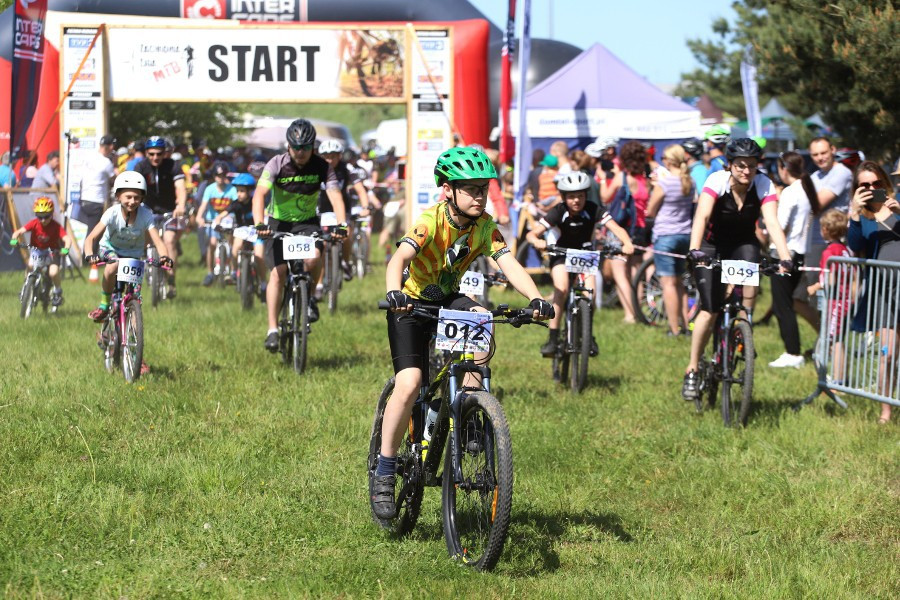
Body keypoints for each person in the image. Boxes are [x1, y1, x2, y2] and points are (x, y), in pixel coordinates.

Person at [371, 146, 553, 519]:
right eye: (470, 189)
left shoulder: (485, 226)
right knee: (409, 383)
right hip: (412, 304)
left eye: (483, 188)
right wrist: (393, 292)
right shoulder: (430, 220)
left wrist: (536, 298)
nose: (479, 196)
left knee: (483, 322)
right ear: (447, 191)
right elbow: (399, 259)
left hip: (447, 299)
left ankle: (468, 408)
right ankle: (385, 469)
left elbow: (510, 263)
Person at [681, 138, 793, 401]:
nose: (746, 171)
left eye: (752, 166)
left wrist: (785, 257)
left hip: (742, 244)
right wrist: (695, 249)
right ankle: (693, 368)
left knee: (744, 296)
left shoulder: (764, 184)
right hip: (710, 246)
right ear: (730, 165)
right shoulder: (716, 181)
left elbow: (772, 223)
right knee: (709, 310)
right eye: (741, 165)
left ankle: (739, 332)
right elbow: (702, 216)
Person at [253, 118, 347, 352]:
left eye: (306, 147)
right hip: (277, 222)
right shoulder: (276, 164)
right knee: (278, 273)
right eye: (296, 147)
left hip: (306, 223)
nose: (301, 152)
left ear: (313, 147)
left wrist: (342, 224)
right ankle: (273, 329)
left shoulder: (323, 166)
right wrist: (259, 224)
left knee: (314, 257)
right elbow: (259, 195)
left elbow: (335, 195)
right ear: (288, 146)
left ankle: (310, 296)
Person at [525, 171, 633, 356]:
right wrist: (537, 240)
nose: (576, 200)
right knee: (562, 289)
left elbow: (616, 228)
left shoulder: (594, 209)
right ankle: (552, 338)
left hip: (585, 254)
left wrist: (627, 243)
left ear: (586, 196)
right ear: (564, 197)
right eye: (571, 196)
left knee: (590, 293)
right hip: (560, 253)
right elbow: (532, 233)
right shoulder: (558, 211)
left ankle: (587, 336)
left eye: (580, 196)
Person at [83, 172, 171, 374]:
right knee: (112, 265)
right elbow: (91, 238)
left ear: (142, 198)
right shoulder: (111, 213)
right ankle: (105, 304)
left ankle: (135, 354)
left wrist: (164, 256)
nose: (132, 201)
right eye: (128, 197)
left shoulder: (146, 215)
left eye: (137, 197)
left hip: (134, 256)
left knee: (134, 302)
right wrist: (90, 255)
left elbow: (159, 242)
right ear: (118, 196)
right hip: (111, 250)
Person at [847, 161, 899, 425]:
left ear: (884, 183)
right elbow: (855, 246)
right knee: (888, 353)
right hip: (882, 292)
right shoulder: (861, 217)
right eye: (864, 185)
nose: (871, 189)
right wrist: (855, 213)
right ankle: (886, 412)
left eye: (876, 183)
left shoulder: (897, 203)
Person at [768, 151, 815, 368]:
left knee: (782, 305)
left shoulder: (789, 192)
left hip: (784, 253)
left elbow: (781, 225)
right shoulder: (807, 187)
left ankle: (792, 351)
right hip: (801, 251)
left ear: (783, 169)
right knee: (795, 302)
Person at [645, 144, 695, 336]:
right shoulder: (689, 182)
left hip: (666, 235)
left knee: (668, 284)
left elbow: (650, 210)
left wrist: (654, 187)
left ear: (668, 160)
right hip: (685, 234)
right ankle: (685, 324)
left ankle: (674, 329)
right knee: (680, 282)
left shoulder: (664, 184)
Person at [599, 140, 651, 323]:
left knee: (620, 274)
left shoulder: (622, 177)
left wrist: (604, 178)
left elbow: (605, 196)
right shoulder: (645, 179)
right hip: (640, 229)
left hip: (620, 229)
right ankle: (639, 311)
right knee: (637, 274)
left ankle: (630, 314)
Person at [134, 135, 187, 298]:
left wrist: (181, 205)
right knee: (145, 242)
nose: (155, 157)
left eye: (159, 153)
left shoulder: (173, 166)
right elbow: (134, 187)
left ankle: (171, 279)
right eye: (151, 154)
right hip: (147, 210)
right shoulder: (140, 166)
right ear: (146, 153)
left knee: (169, 241)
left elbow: (181, 187)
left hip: (169, 211)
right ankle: (143, 264)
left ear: (165, 153)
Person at [316, 139, 376, 281]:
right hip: (323, 210)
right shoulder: (317, 169)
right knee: (322, 245)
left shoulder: (347, 169)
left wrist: (366, 206)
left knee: (347, 234)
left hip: (343, 209)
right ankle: (319, 283)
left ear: (340, 156)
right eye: (326, 156)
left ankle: (346, 261)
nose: (330, 160)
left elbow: (360, 190)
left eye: (333, 156)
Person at [805, 210, 850, 383]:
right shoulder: (844, 249)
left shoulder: (829, 251)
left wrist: (815, 287)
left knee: (834, 341)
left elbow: (829, 279)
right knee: (839, 339)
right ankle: (840, 377)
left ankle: (838, 380)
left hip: (837, 301)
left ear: (825, 229)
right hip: (846, 300)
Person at [9, 196, 72, 307]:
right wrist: (14, 239)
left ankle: (57, 292)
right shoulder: (34, 223)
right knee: (29, 265)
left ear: (52, 214)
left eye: (46, 216)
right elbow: (19, 231)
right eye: (39, 217)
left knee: (53, 272)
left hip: (52, 252)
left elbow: (67, 238)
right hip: (37, 251)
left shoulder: (56, 227)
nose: (43, 220)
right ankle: (26, 286)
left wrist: (66, 248)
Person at [212, 172, 266, 293]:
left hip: (257, 232)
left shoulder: (256, 202)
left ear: (250, 191)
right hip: (242, 231)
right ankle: (235, 272)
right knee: (235, 249)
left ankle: (263, 282)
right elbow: (224, 213)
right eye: (237, 191)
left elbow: (266, 212)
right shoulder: (235, 204)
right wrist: (217, 220)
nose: (239, 194)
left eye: (242, 191)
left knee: (259, 256)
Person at [195, 162, 237, 286]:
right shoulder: (210, 189)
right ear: (214, 176)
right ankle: (210, 273)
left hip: (228, 220)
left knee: (232, 243)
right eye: (218, 175)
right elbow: (203, 206)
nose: (221, 178)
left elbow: (235, 206)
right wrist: (199, 217)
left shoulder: (232, 189)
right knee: (212, 244)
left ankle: (234, 271)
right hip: (212, 221)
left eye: (224, 175)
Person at [72, 135, 117, 234]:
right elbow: (115, 179)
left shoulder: (90, 157)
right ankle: (89, 250)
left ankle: (85, 249)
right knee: (94, 234)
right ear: (110, 147)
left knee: (86, 231)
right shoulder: (106, 162)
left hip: (84, 199)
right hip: (97, 201)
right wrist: (115, 164)